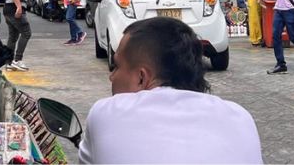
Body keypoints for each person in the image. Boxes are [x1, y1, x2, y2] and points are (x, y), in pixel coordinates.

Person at [78, 18, 263, 164]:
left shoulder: (105, 113)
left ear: (142, 78)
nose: (112, 77)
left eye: (116, 67)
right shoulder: (240, 116)